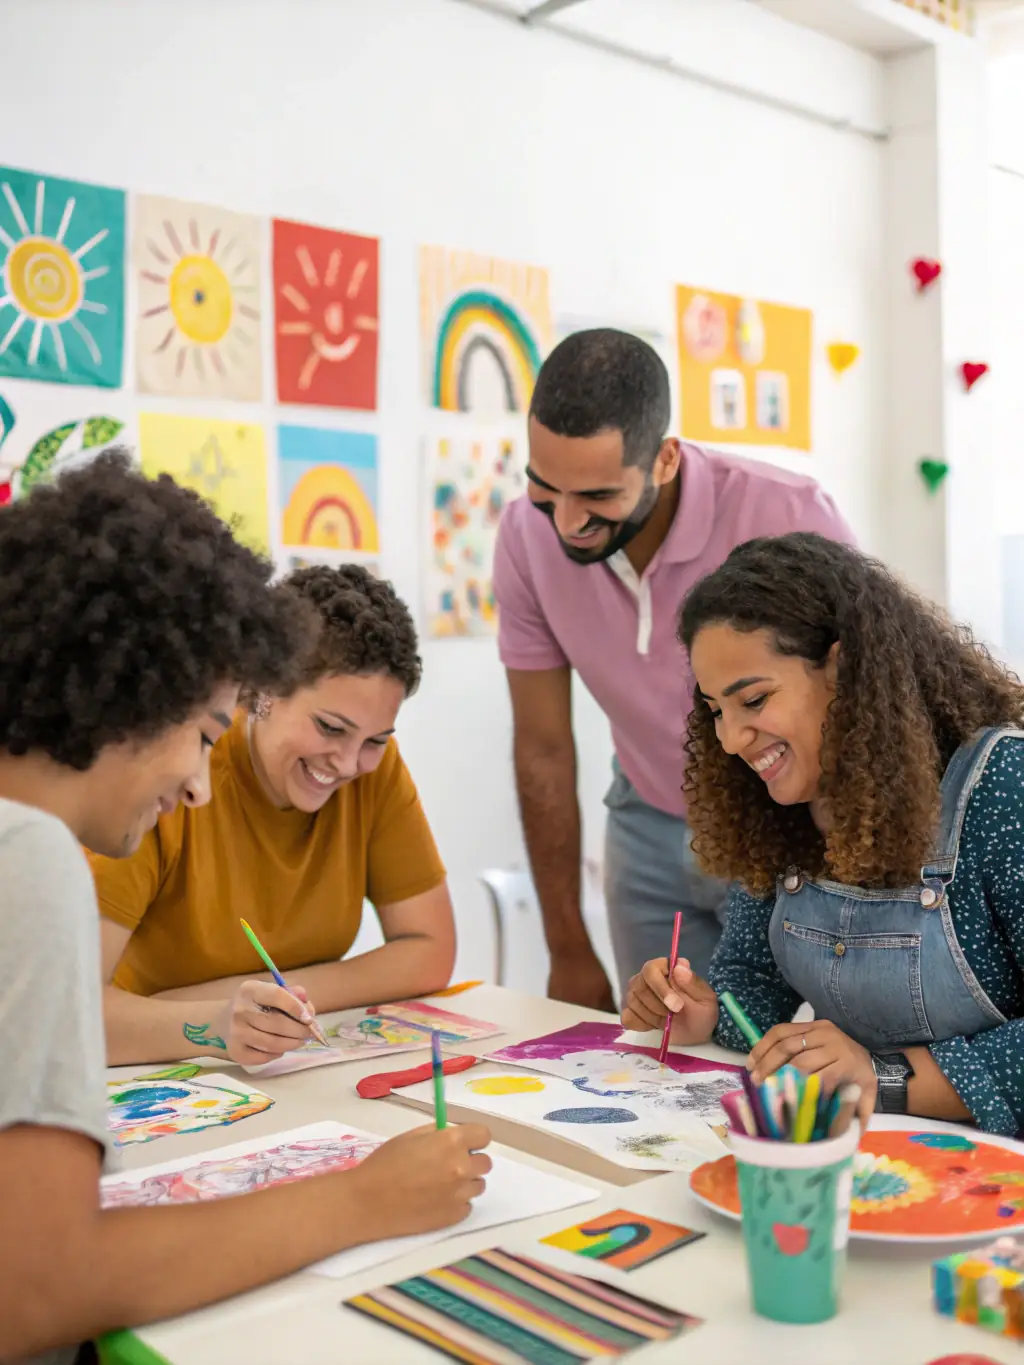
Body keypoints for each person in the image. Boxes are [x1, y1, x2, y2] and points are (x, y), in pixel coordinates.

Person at [0, 453, 490, 1364]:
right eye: (205, 732)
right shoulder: (25, 862)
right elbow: (38, 1288)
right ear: (128, 696)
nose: (195, 782)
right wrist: (362, 1200)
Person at [493, 328, 855, 1009]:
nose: (566, 522)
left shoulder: (788, 512)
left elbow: (863, 702)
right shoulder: (522, 537)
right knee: (666, 1059)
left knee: (805, 1059)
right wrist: (567, 945)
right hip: (646, 820)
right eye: (546, 488)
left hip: (790, 821)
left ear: (663, 459)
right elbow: (541, 745)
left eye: (596, 496)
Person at [621, 532, 1024, 1135]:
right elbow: (754, 982)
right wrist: (707, 1011)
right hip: (875, 1152)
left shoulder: (999, 785)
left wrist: (883, 1075)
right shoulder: (779, 807)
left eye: (752, 700)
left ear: (841, 669)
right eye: (715, 710)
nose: (730, 740)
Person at [93, 563, 456, 1068]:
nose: (350, 765)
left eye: (375, 740)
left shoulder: (374, 771)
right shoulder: (174, 772)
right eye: (330, 727)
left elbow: (430, 950)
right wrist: (216, 1021)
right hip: (151, 1077)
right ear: (262, 691)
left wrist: (269, 1000)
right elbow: (66, 1013)